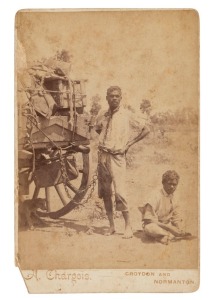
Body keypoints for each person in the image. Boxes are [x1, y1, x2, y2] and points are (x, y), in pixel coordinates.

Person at [95, 86, 150, 238]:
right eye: (111, 96)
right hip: (103, 157)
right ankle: (111, 226)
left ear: (121, 98)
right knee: (106, 192)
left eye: (117, 96)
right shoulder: (102, 114)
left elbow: (146, 129)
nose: (114, 98)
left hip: (117, 158)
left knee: (120, 192)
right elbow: (97, 128)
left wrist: (127, 144)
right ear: (107, 98)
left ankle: (128, 227)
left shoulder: (127, 115)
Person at [139, 170, 191, 245]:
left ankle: (164, 236)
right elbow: (148, 220)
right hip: (154, 225)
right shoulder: (155, 196)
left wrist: (179, 229)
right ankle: (165, 236)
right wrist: (170, 228)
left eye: (174, 184)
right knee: (149, 228)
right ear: (163, 183)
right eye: (169, 184)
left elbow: (175, 218)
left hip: (166, 225)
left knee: (185, 227)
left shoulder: (175, 197)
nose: (172, 187)